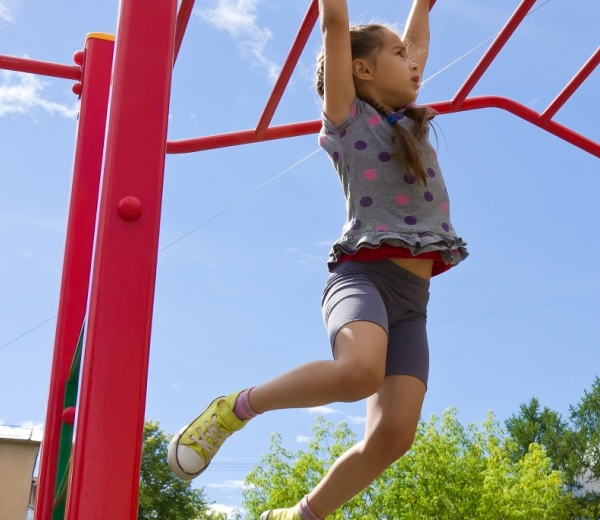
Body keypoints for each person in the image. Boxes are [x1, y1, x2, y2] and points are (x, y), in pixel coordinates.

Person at [167, 0, 466, 518]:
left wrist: (423, 5)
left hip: (413, 303)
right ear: (362, 69)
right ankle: (235, 409)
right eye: (399, 54)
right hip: (364, 279)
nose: (414, 63)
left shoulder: (411, 124)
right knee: (359, 373)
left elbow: (419, 40)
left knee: (394, 437)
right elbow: (334, 22)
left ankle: (299, 515)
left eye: (411, 55)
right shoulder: (349, 121)